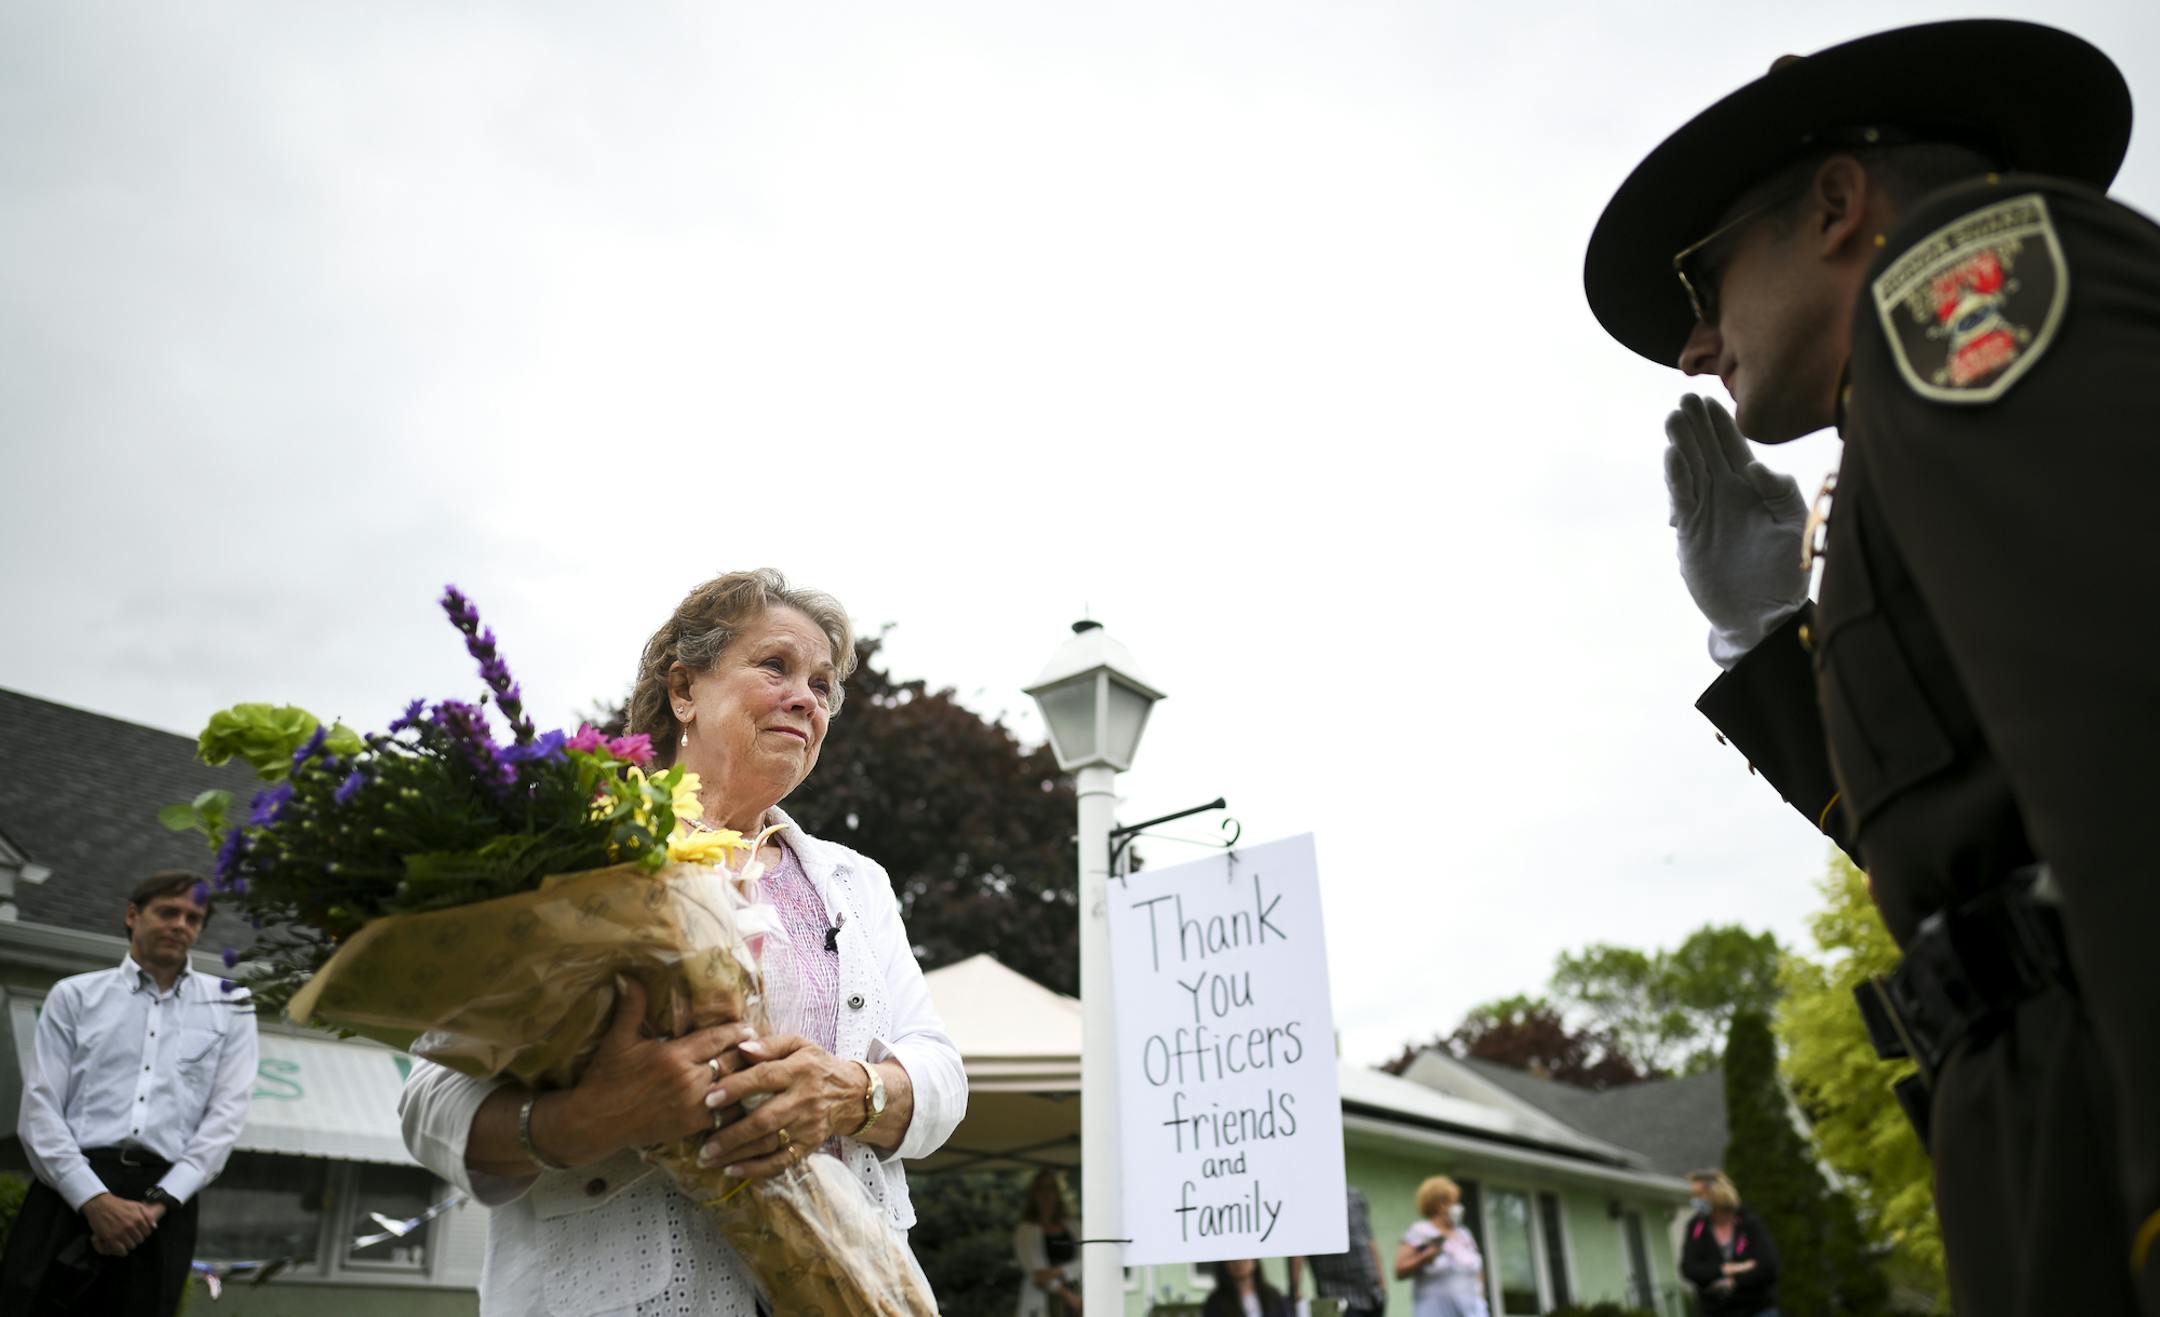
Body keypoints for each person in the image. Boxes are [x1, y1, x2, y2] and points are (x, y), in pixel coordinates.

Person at [1581, 20, 2160, 1315]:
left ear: (1837, 204)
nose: (1692, 344)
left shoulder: (1975, 291)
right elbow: (1975, 830)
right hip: (2051, 1126)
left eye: (1702, 276)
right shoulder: (1899, 425)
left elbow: (2138, 738)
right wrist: (1770, 635)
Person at [400, 569, 968, 1315]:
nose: (809, 697)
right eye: (777, 666)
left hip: (849, 1285)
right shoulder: (574, 844)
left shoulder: (855, 881)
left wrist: (850, 1091)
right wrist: (600, 1114)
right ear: (683, 690)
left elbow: (939, 1071)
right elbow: (431, 1102)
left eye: (823, 685)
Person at [0, 872, 258, 1316]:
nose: (181, 924)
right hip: (68, 1191)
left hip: (164, 1203)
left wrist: (156, 1206)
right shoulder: (75, 996)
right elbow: (40, 1110)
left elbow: (224, 1119)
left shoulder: (231, 1005)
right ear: (133, 915)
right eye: (168, 912)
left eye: (193, 918)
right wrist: (94, 1200)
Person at [1677, 1172, 1779, 1317]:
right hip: (1714, 1311)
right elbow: (1689, 1268)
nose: (1696, 1200)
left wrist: (1735, 1282)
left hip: (1757, 1309)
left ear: (1717, 1194)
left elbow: (1768, 1267)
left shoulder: (1749, 1224)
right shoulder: (1696, 1227)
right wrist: (1727, 1269)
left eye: (1700, 1195)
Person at [1290, 1184, 1388, 1317]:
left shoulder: (1355, 1196)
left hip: (1373, 1295)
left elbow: (1369, 1239)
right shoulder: (1305, 1199)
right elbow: (1299, 1246)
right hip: (1337, 1299)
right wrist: (1295, 1289)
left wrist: (1382, 1281)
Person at [1396, 1176, 1485, 1317]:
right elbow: (1400, 1270)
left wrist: (1480, 1299)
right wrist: (1425, 1258)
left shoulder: (1464, 1234)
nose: (1458, 1206)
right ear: (1440, 1204)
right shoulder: (1421, 1231)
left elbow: (1477, 1270)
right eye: (1454, 1202)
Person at [1013, 1168, 1082, 1315]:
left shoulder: (1073, 1225)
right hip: (1044, 1301)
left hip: (1077, 1294)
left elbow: (1087, 1260)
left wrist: (1059, 1271)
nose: (1046, 1193)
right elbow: (1037, 1276)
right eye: (1041, 1188)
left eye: (1050, 1188)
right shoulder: (1026, 1230)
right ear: (1034, 1194)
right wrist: (1068, 1296)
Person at [1202, 1258, 1292, 1317]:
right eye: (1232, 1260)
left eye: (1244, 1258)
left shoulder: (1273, 1296)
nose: (1238, 1263)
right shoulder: (1216, 1301)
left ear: (1255, 1261)